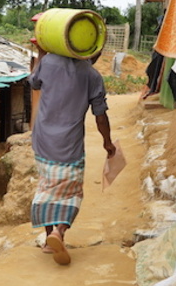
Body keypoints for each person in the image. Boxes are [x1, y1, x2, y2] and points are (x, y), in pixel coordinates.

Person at [29, 43, 115, 265]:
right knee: (71, 192)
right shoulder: (92, 76)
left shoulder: (48, 62)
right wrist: (108, 143)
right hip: (70, 145)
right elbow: (100, 115)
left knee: (48, 187)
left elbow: (33, 82)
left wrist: (40, 54)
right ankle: (59, 231)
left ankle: (49, 240)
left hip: (43, 140)